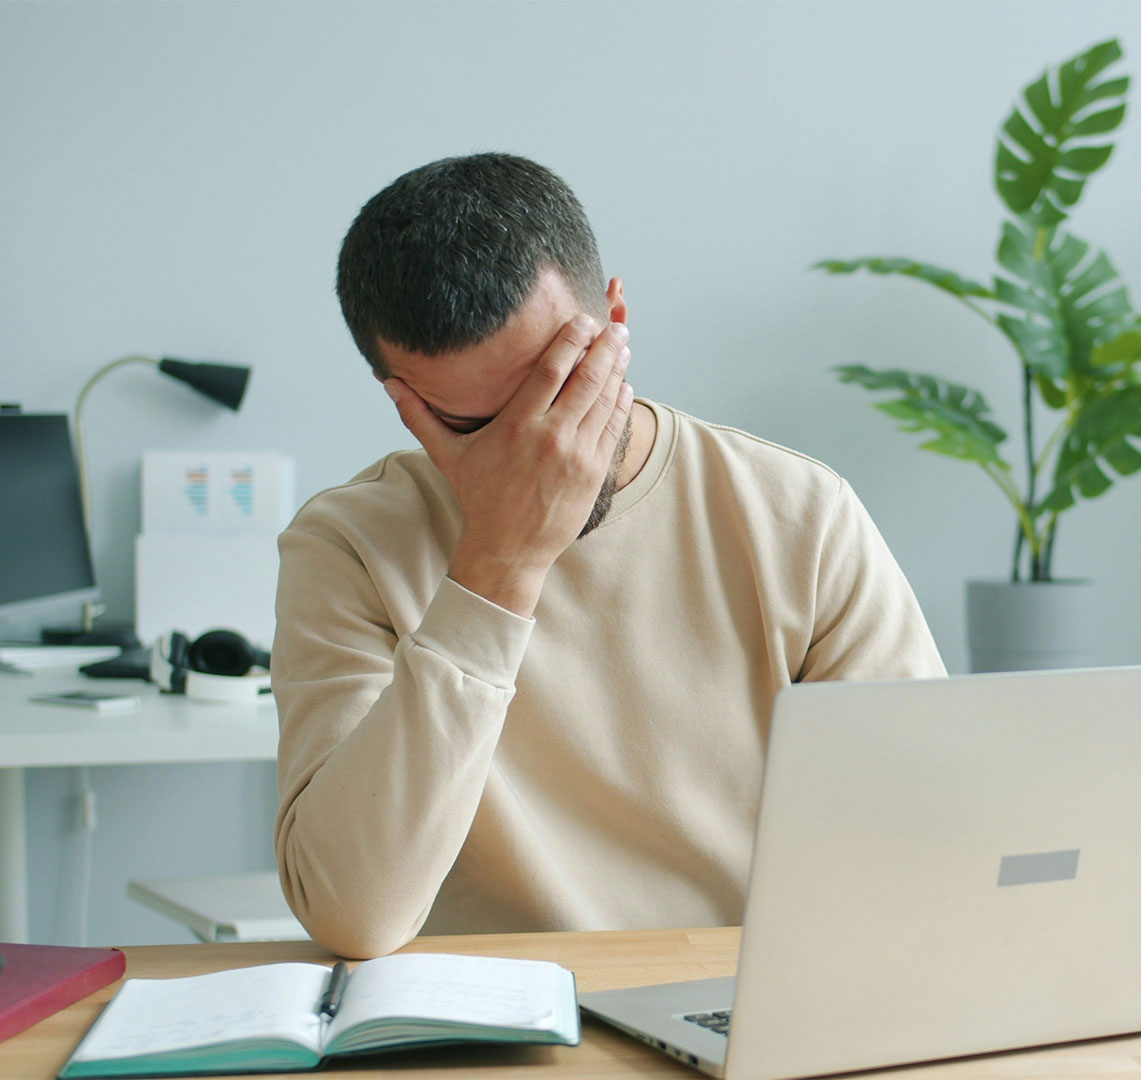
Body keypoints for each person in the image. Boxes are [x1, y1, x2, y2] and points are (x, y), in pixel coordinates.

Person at [273, 153, 946, 959]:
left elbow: (924, 845)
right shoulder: (346, 547)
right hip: (492, 1026)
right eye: (476, 428)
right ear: (403, 400)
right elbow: (356, 914)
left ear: (615, 322)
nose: (538, 447)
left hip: (738, 1002)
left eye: (557, 390)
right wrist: (499, 565)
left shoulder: (797, 513)